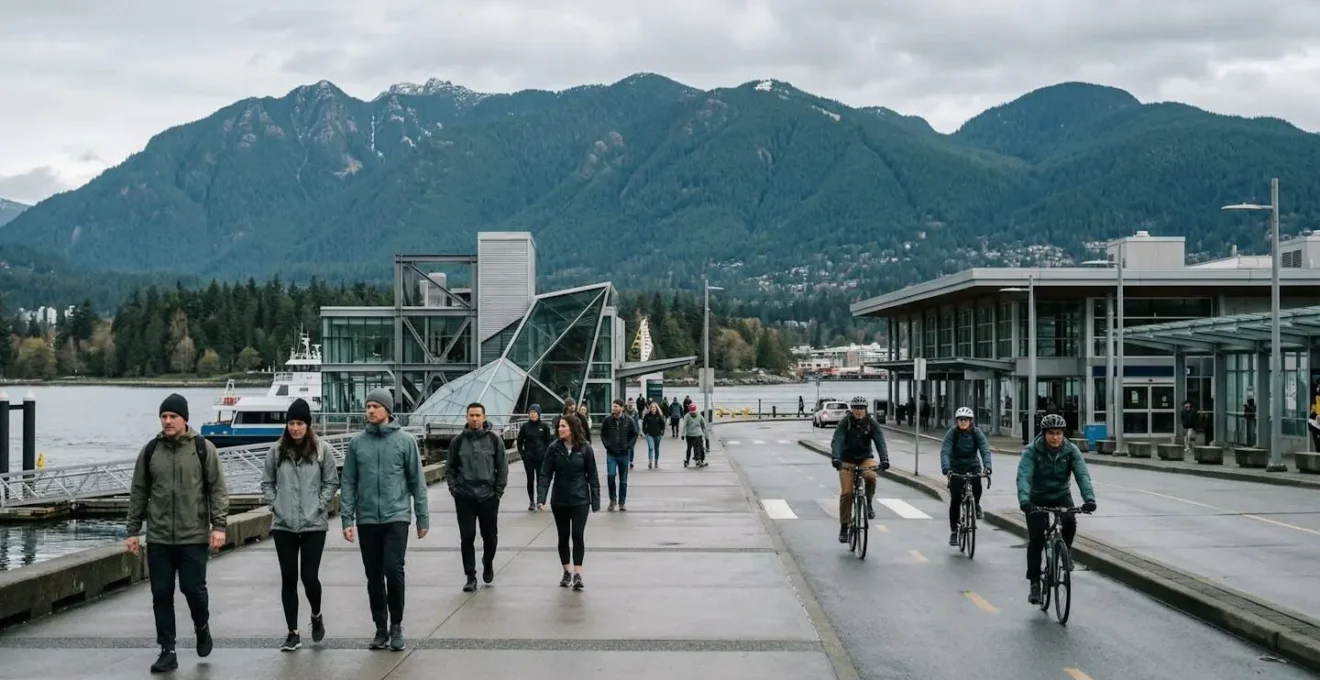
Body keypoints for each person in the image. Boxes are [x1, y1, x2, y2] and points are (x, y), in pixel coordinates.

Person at [125, 393, 229, 674]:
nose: (168, 421)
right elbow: (139, 492)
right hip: (158, 537)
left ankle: (201, 626)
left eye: (173, 416)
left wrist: (219, 526)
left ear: (185, 419)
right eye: (164, 417)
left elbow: (217, 489)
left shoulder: (202, 448)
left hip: (193, 535)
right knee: (161, 594)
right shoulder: (150, 451)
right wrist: (133, 530)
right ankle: (167, 650)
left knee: (193, 589)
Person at [340, 388, 429, 652]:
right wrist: (347, 518)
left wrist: (422, 517)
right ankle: (380, 627)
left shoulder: (405, 442)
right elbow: (348, 482)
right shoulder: (357, 443)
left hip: (396, 517)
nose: (370, 411)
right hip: (367, 519)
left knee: (393, 570)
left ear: (387, 410)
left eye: (375, 406)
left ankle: (397, 626)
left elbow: (417, 482)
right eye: (367, 406)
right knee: (373, 576)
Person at [260, 398, 339, 651]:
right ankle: (292, 632)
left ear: (308, 425)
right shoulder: (276, 451)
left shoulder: (321, 450)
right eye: (291, 423)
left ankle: (316, 615)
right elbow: (267, 483)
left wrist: (318, 506)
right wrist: (276, 505)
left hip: (313, 524)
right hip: (284, 525)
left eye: (300, 423)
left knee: (309, 576)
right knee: (288, 578)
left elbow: (331, 482)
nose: (295, 428)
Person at [1016, 412, 1096, 605]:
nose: (1055, 437)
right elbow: (1024, 477)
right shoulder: (1032, 451)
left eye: (1059, 433)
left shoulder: (1071, 450)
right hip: (1037, 498)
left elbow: (1082, 475)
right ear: (1044, 434)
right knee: (1036, 539)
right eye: (1051, 433)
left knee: (1069, 521)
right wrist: (1025, 501)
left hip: (1061, 495)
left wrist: (1089, 499)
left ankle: (1065, 551)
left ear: (1063, 434)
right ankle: (1035, 584)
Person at [446, 402, 509, 592]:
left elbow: (502, 468)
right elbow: (449, 468)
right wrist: (454, 489)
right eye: (471, 415)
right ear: (466, 417)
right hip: (464, 496)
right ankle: (470, 576)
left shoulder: (494, 440)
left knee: (490, 536)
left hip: (488, 496)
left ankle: (487, 562)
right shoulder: (457, 442)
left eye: (478, 415)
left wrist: (498, 492)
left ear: (484, 417)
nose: (474, 419)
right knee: (467, 537)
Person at [537, 413, 601, 591]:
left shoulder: (585, 448)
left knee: (578, 535)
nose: (560, 429)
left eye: (563, 426)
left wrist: (595, 500)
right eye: (559, 426)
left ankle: (578, 574)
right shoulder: (554, 448)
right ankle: (567, 571)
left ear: (572, 428)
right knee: (563, 536)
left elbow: (593, 475)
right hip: (560, 499)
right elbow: (545, 474)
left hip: (580, 499)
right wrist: (541, 498)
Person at [830, 396, 890, 544]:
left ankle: (868, 502)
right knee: (846, 493)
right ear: (852, 410)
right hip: (846, 460)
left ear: (865, 410)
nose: (859, 411)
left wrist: (884, 460)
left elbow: (880, 441)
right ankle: (844, 526)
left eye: (861, 408)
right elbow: (837, 440)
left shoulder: (871, 423)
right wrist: (836, 458)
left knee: (870, 476)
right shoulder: (845, 422)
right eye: (856, 408)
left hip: (864, 458)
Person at [940, 406, 992, 547]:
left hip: (972, 464)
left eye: (966, 420)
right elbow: (945, 451)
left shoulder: (976, 432)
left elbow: (984, 449)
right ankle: (954, 531)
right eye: (960, 420)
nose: (963, 422)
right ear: (957, 421)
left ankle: (976, 505)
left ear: (971, 421)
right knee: (955, 500)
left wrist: (987, 467)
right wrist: (947, 469)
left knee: (977, 486)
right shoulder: (952, 433)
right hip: (956, 466)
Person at [600, 399, 639, 510]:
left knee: (623, 479)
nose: (614, 408)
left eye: (616, 406)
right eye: (613, 406)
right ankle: (613, 500)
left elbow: (635, 434)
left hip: (624, 453)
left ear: (622, 408)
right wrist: (607, 445)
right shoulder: (608, 420)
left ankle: (622, 502)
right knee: (611, 476)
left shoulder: (629, 420)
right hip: (611, 453)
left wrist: (629, 446)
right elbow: (603, 434)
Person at [517, 404, 553, 511]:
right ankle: (531, 501)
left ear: (539, 414)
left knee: (540, 479)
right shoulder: (525, 427)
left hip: (541, 458)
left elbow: (549, 442)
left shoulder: (544, 426)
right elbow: (519, 442)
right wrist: (523, 455)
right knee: (530, 479)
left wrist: (546, 454)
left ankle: (539, 500)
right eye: (531, 412)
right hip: (529, 458)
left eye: (534, 412)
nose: (532, 414)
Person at [682, 403, 711, 467]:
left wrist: (682, 434)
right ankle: (699, 460)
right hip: (697, 434)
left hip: (689, 435)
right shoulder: (699, 415)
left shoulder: (687, 416)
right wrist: (706, 434)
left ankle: (688, 460)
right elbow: (704, 425)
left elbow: (684, 425)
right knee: (699, 447)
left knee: (689, 448)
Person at [642, 402, 667, 469]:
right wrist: (645, 432)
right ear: (650, 408)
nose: (653, 408)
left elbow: (663, 424)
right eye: (652, 407)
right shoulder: (647, 415)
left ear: (656, 408)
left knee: (656, 448)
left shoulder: (659, 416)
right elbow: (644, 424)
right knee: (651, 448)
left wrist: (662, 432)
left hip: (658, 434)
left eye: (654, 407)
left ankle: (656, 461)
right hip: (649, 434)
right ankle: (650, 462)